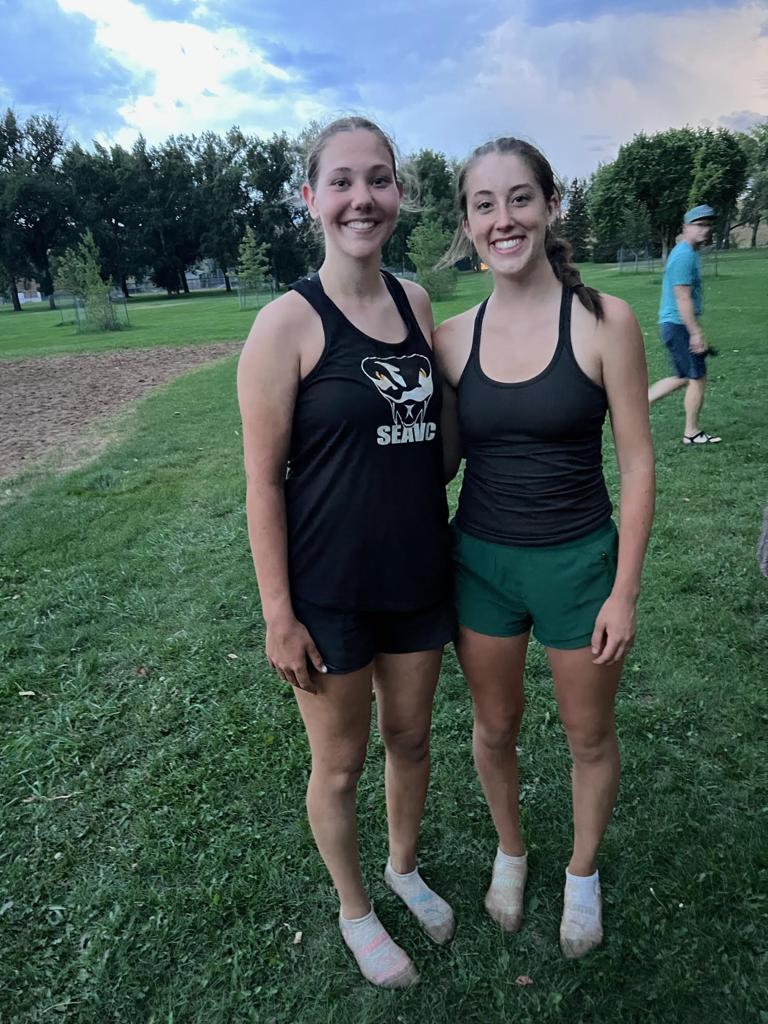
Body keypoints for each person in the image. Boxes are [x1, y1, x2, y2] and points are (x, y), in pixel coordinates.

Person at [236, 117, 456, 989]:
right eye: (342, 181)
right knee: (339, 765)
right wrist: (278, 615)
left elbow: (438, 440)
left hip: (418, 573)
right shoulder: (284, 324)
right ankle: (355, 909)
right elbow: (262, 483)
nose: (362, 198)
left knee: (411, 738)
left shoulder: (416, 303)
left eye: (379, 179)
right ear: (311, 198)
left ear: (398, 192)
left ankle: (403, 867)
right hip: (328, 591)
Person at [434, 137, 655, 958]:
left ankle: (582, 874)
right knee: (494, 726)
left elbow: (638, 464)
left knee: (588, 734)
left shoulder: (604, 322)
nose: (504, 219)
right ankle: (512, 852)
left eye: (520, 198)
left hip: (579, 566)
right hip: (482, 566)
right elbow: (438, 462)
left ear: (552, 207)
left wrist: (623, 591)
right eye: (484, 204)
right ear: (467, 224)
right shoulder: (450, 339)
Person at [648, 204, 722, 444]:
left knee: (683, 376)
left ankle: (635, 406)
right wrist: (695, 332)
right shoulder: (684, 256)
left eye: (707, 225)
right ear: (685, 228)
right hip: (678, 325)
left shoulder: (687, 252)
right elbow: (682, 297)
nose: (704, 230)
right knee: (696, 378)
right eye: (698, 225)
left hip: (675, 324)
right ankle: (691, 433)